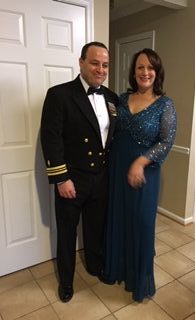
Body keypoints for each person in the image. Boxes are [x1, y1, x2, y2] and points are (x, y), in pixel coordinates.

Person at [40, 41, 118, 303]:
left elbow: (111, 139)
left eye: (105, 64)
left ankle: (94, 266)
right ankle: (66, 282)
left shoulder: (111, 98)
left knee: (95, 229)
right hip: (72, 180)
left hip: (101, 179)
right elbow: (51, 139)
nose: (100, 69)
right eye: (95, 63)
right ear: (81, 62)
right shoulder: (59, 94)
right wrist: (61, 177)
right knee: (67, 234)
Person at [104, 48, 177, 302]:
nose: (145, 72)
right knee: (120, 218)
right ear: (133, 72)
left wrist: (141, 162)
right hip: (117, 168)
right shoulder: (122, 99)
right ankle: (119, 269)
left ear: (157, 72)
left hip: (145, 172)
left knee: (143, 224)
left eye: (150, 67)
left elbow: (167, 141)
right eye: (140, 67)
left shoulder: (165, 104)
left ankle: (140, 280)